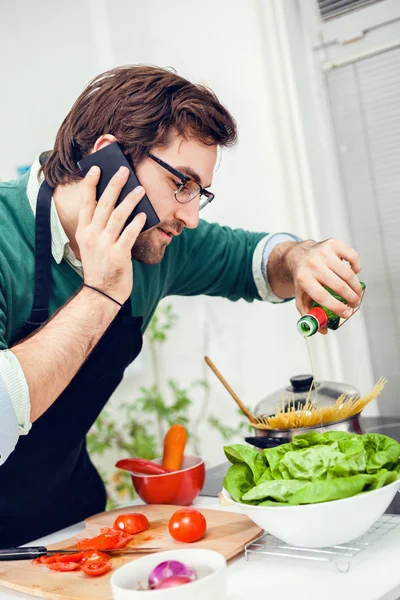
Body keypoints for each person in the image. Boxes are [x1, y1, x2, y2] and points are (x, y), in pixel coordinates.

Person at [0, 65, 363, 546]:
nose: (190, 217)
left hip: (70, 525)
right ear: (111, 159)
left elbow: (253, 259)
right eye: (182, 184)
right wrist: (102, 293)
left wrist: (301, 258)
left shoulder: (154, 240)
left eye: (200, 193)